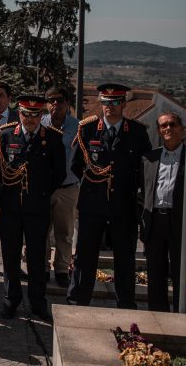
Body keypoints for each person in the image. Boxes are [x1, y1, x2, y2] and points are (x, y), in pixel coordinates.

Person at [67, 83, 151, 309]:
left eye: (115, 103)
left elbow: (145, 169)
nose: (110, 107)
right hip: (93, 203)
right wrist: (92, 186)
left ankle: (125, 302)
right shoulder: (87, 129)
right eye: (105, 102)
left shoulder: (137, 132)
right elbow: (76, 165)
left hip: (124, 204)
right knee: (85, 255)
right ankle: (78, 299)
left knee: (125, 257)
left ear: (123, 104)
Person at [0, 96, 64, 322]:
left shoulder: (53, 138)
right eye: (26, 114)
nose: (31, 119)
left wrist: (40, 192)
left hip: (37, 208)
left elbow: (59, 173)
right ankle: (11, 300)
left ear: (41, 116)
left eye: (36, 115)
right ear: (19, 113)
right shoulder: (6, 136)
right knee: (10, 257)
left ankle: (38, 302)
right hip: (11, 208)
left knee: (37, 258)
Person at [141, 112, 185, 312]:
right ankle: (157, 315)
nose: (168, 128)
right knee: (156, 272)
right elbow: (142, 191)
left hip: (180, 223)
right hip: (155, 221)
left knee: (180, 272)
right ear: (159, 131)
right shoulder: (150, 158)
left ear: (182, 130)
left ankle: (181, 315)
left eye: (172, 124)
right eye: (163, 126)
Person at [41, 87, 79, 288]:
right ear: (47, 104)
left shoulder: (77, 126)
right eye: (51, 100)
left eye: (60, 100)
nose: (56, 104)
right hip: (45, 187)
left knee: (64, 232)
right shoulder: (40, 124)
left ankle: (62, 269)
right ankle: (44, 268)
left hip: (68, 187)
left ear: (67, 103)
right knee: (43, 230)